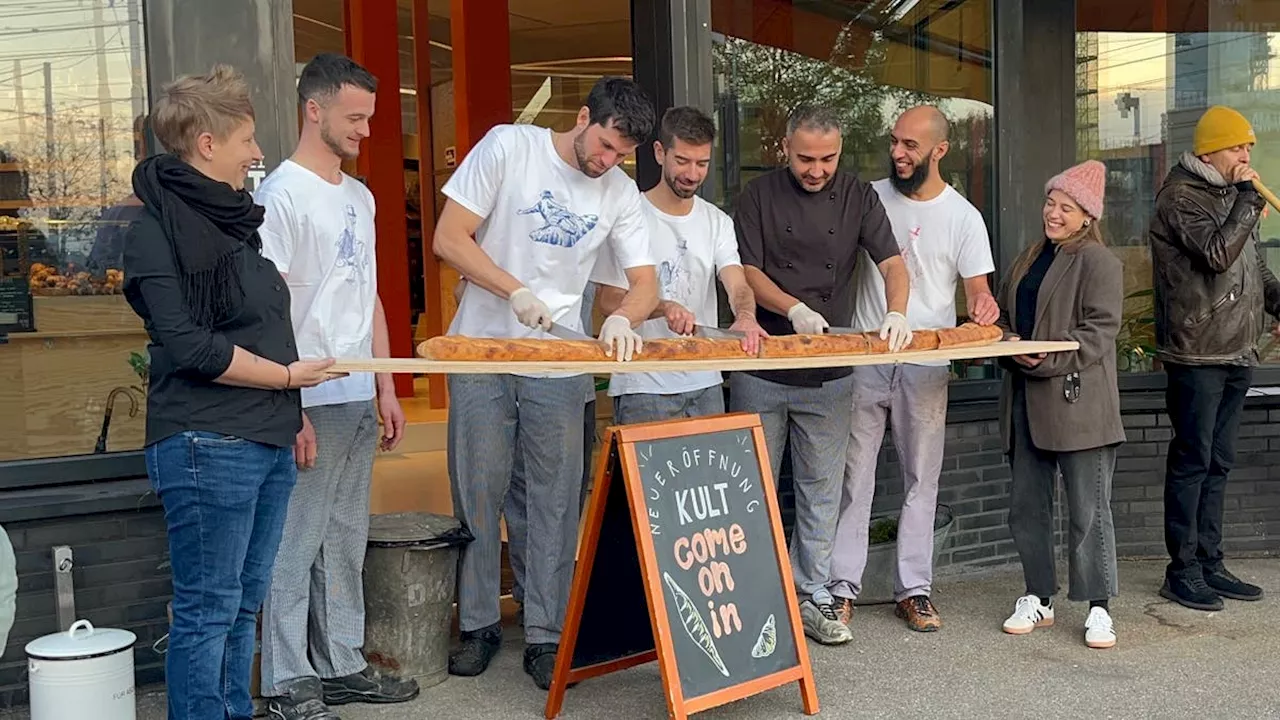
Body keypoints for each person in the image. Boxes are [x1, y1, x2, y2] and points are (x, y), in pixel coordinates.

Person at [121, 65, 338, 720]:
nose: (258, 152)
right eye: (247, 138)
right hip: (205, 443)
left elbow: (268, 327)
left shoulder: (239, 226)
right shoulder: (154, 232)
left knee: (241, 606)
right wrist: (286, 380)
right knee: (208, 610)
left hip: (266, 436)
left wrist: (291, 412)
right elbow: (189, 346)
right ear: (208, 143)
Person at [433, 76, 658, 689]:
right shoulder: (509, 147)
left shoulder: (619, 192)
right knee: (478, 491)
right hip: (481, 348)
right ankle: (477, 624)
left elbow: (645, 284)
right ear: (584, 116)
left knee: (556, 500)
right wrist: (514, 290)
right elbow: (448, 238)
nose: (608, 162)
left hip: (561, 362)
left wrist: (620, 317)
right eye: (605, 145)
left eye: (621, 155)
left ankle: (547, 632)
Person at [256, 53, 416, 720]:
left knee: (346, 537)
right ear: (313, 109)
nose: (365, 130)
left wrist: (386, 386)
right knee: (296, 542)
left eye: (370, 118)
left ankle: (342, 662)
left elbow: (370, 295)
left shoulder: (360, 195)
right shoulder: (281, 194)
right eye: (354, 117)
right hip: (306, 394)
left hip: (354, 393)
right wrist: (288, 404)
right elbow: (269, 309)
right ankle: (289, 676)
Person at [732, 105, 910, 646]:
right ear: (785, 148)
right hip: (764, 364)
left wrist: (898, 310)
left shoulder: (858, 195)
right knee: (749, 489)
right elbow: (747, 271)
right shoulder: (758, 196)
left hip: (832, 372)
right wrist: (792, 309)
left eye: (827, 158)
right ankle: (747, 599)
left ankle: (812, 596)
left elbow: (893, 263)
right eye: (806, 158)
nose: (817, 169)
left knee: (821, 492)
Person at [830, 106, 997, 633]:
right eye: (895, 142)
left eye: (910, 146)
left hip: (927, 363)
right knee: (853, 477)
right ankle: (839, 589)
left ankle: (915, 590)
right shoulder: (867, 196)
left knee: (921, 481)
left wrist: (986, 311)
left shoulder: (965, 217)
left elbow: (978, 296)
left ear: (939, 151)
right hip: (867, 356)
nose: (898, 153)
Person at [1150, 105, 1280, 611]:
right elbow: (1216, 254)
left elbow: (1255, 273)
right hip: (1197, 352)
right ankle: (1180, 570)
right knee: (1192, 460)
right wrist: (1248, 202)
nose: (1247, 156)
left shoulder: (1231, 198)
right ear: (1209, 150)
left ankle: (1210, 561)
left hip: (1236, 349)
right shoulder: (1180, 197)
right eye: (1237, 147)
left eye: (1249, 147)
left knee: (1219, 462)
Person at [995, 160, 1124, 650]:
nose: (1053, 213)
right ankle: (1038, 597)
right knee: (1026, 508)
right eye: (1051, 202)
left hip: (1078, 406)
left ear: (1087, 216)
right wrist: (1007, 339)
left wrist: (1041, 355)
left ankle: (1098, 609)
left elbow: (1099, 333)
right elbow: (1007, 319)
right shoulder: (1029, 257)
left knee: (1088, 513)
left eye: (1065, 207)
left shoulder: (1099, 262)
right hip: (1026, 401)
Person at [592, 105, 767, 425]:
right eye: (682, 161)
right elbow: (608, 300)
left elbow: (737, 282)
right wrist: (662, 307)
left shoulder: (717, 221)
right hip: (643, 382)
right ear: (660, 153)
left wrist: (745, 316)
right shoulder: (630, 217)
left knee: (713, 476)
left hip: (706, 381)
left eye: (702, 163)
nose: (692, 173)